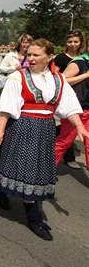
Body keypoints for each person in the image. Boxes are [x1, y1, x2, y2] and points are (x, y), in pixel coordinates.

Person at [0, 39, 89, 241]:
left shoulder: (58, 79)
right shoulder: (18, 77)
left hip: (45, 128)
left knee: (33, 167)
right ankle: (33, 218)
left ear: (49, 57)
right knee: (21, 165)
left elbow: (68, 105)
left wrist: (79, 126)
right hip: (22, 126)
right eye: (29, 54)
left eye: (36, 55)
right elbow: (7, 106)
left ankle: (1, 191)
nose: (31, 58)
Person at [53, 30, 85, 168]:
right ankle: (64, 157)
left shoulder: (83, 58)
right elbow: (55, 76)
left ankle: (68, 156)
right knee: (68, 130)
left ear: (81, 42)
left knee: (68, 129)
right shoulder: (61, 58)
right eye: (70, 41)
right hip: (66, 96)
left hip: (81, 96)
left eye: (76, 42)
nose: (73, 44)